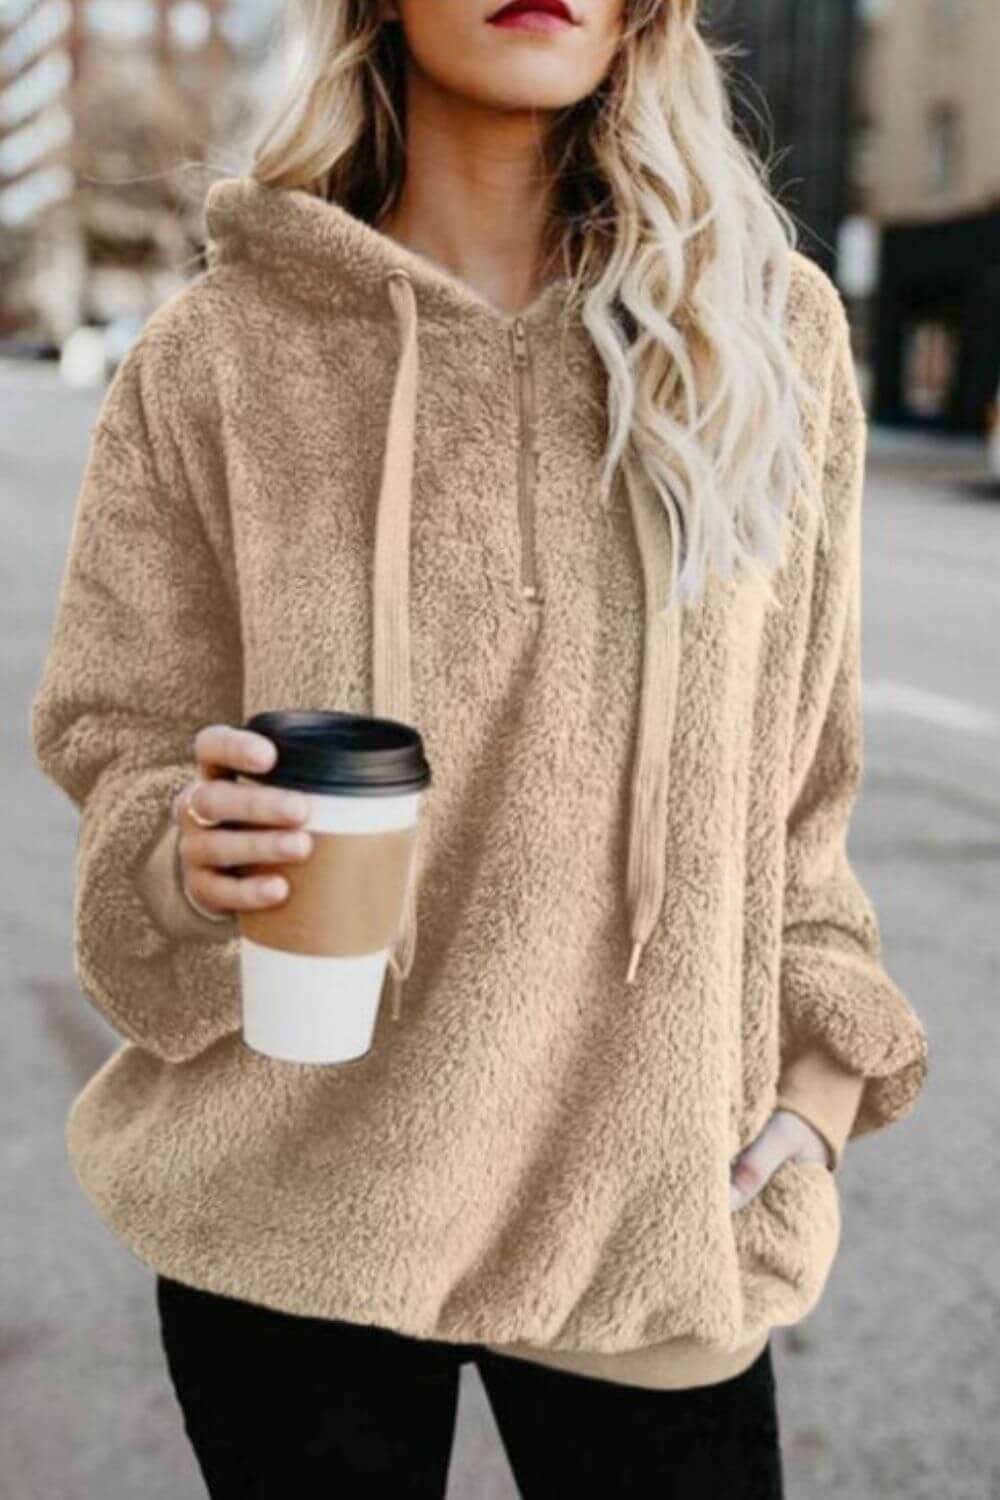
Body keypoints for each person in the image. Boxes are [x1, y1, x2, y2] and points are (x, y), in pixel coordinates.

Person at [30, 1, 929, 1495]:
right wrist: (182, 856)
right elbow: (120, 742)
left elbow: (803, 787)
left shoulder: (770, 336)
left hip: (648, 1222)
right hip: (290, 1219)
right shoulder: (217, 359)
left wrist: (822, 1089)